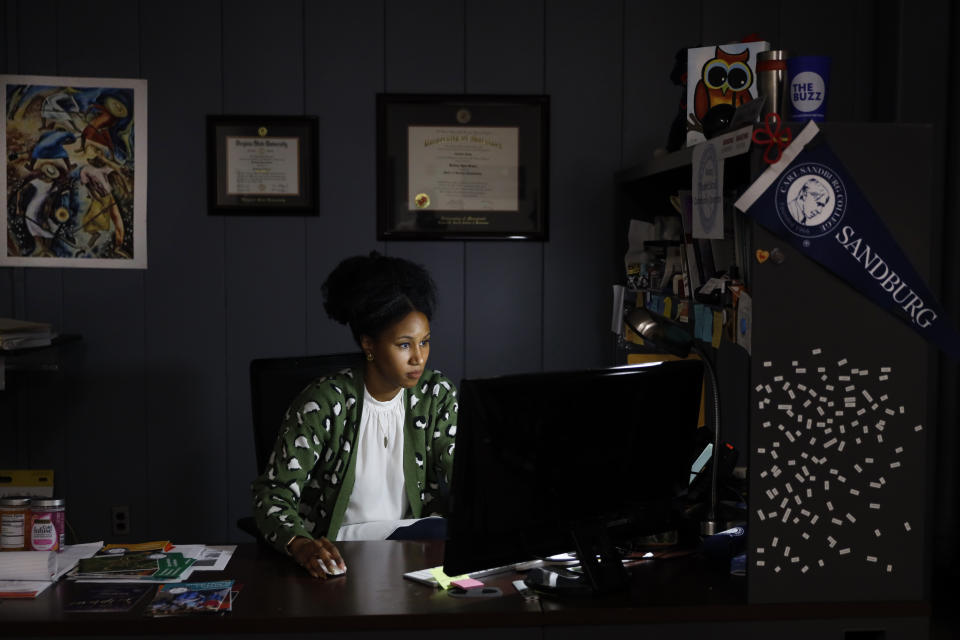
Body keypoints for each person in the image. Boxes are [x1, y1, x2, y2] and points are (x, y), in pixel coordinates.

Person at [251, 252, 458, 579]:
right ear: (369, 345)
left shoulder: (435, 396)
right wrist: (301, 545)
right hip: (342, 553)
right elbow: (273, 494)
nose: (419, 358)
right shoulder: (324, 401)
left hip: (417, 550)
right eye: (404, 345)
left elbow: (463, 471)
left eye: (425, 342)